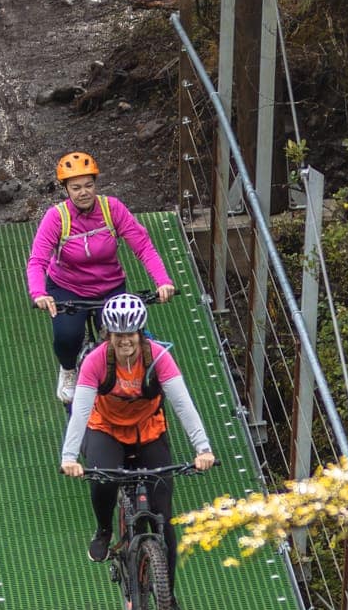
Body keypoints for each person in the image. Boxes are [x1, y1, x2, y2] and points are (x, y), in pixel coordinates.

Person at [60, 290, 214, 569]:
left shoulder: (158, 358)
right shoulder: (96, 361)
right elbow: (81, 409)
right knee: (103, 478)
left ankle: (169, 598)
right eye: (118, 334)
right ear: (108, 335)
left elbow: (183, 404)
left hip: (148, 429)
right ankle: (104, 529)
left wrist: (202, 448)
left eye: (130, 333)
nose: (125, 340)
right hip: (106, 427)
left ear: (140, 333)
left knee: (164, 518)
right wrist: (69, 457)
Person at [26, 150, 173, 399]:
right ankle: (69, 369)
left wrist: (163, 281)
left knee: (122, 338)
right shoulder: (56, 217)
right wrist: (39, 293)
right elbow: (38, 260)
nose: (83, 192)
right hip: (67, 287)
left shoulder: (112, 209)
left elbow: (143, 246)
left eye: (88, 185)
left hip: (109, 286)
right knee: (67, 336)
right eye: (76, 188)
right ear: (66, 190)